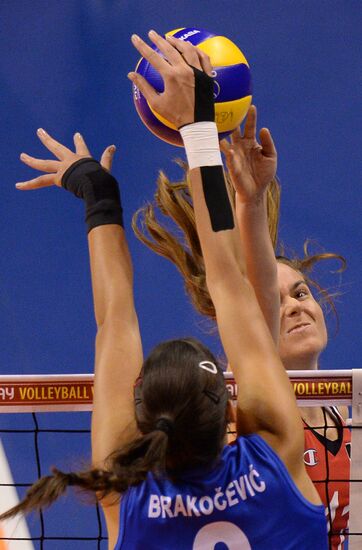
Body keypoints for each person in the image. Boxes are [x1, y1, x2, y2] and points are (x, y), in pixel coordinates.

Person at [0, 32, 328, 549]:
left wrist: (101, 195)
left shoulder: (128, 499)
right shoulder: (278, 457)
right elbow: (227, 287)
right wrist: (195, 125)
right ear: (229, 411)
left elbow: (120, 322)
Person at [133, 91, 350, 548]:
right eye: (277, 299)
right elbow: (244, 296)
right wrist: (250, 204)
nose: (292, 305)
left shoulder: (350, 417)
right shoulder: (255, 426)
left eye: (301, 292)